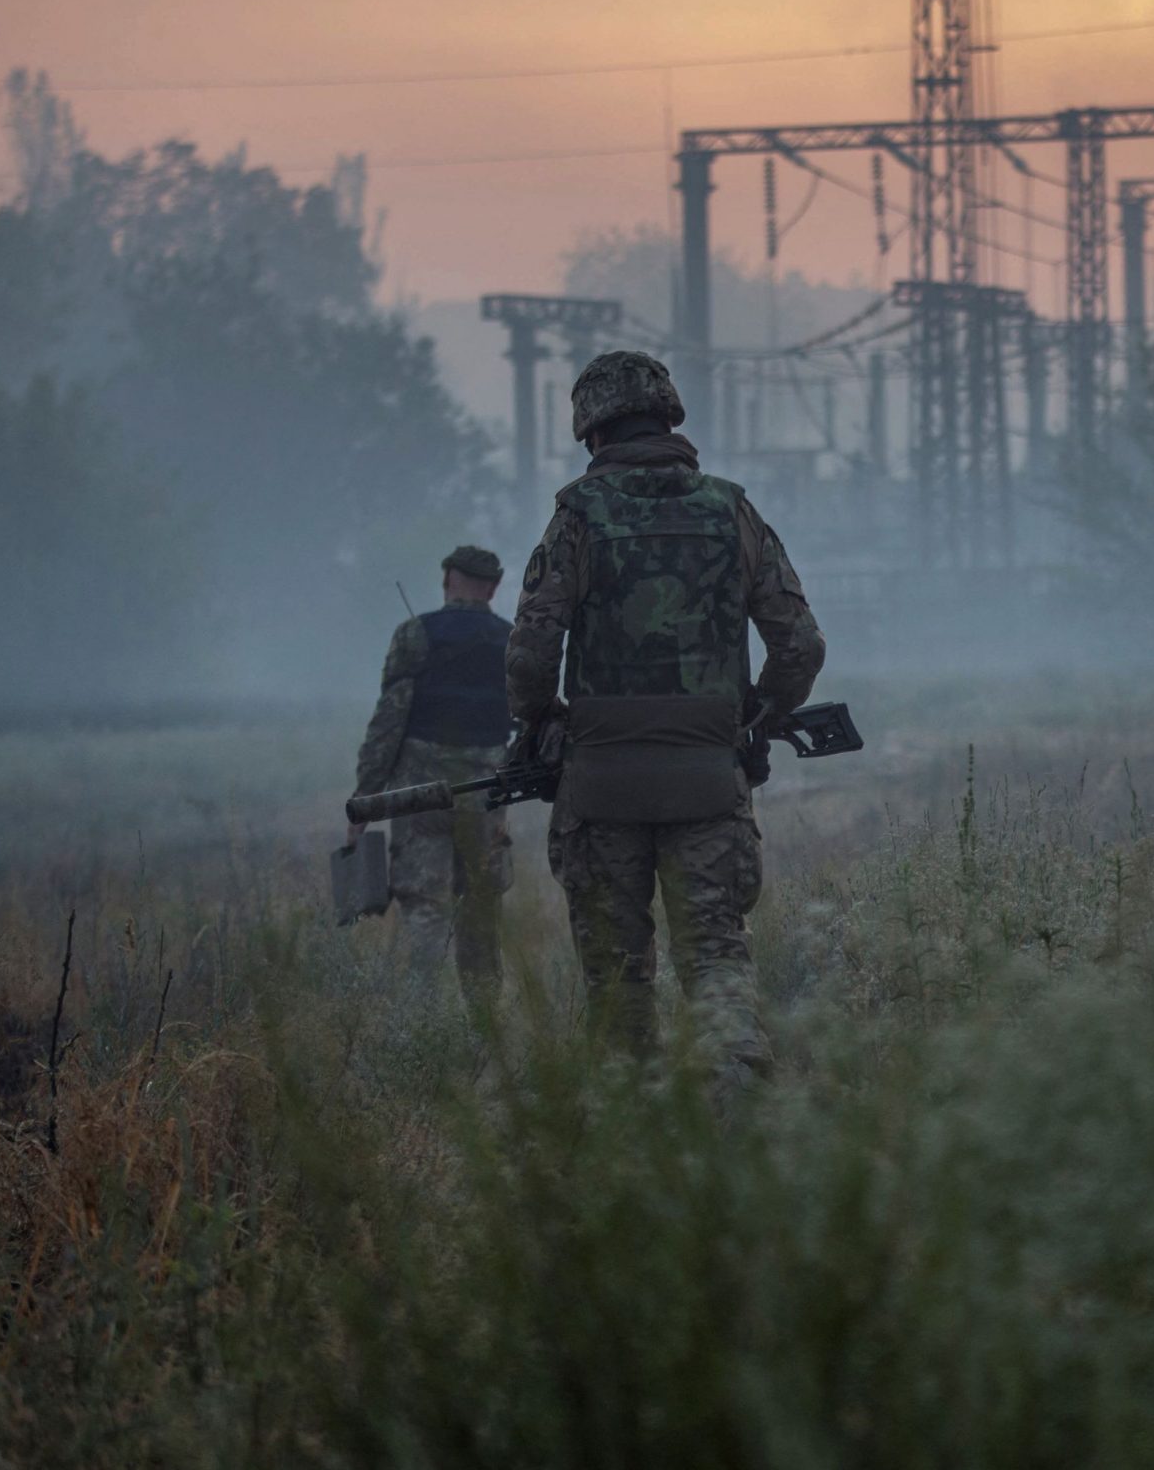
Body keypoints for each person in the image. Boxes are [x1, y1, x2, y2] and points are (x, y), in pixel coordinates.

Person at [505, 350, 825, 1095]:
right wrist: (759, 717)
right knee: (716, 962)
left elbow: (528, 653)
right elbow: (801, 643)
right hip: (710, 785)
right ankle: (733, 1122)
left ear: (591, 429)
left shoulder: (576, 520)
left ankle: (629, 1151)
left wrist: (542, 722)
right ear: (669, 414)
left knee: (617, 988)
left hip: (601, 790)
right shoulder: (731, 511)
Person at [350, 544, 516, 992]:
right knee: (480, 907)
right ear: (494, 587)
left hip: (421, 794)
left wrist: (364, 803)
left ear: (447, 580)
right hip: (486, 794)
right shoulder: (512, 639)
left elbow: (388, 725)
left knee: (425, 907)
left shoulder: (415, 634)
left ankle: (420, 1023)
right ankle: (485, 1031)